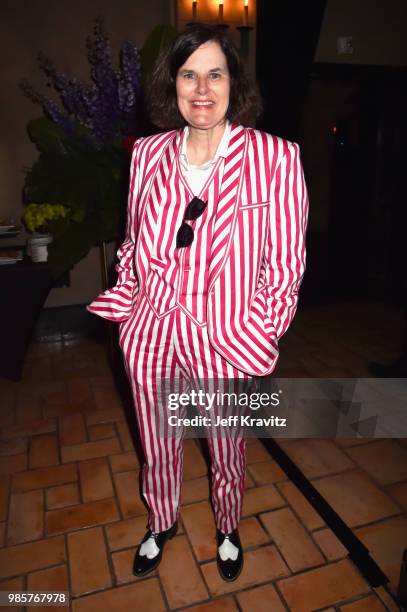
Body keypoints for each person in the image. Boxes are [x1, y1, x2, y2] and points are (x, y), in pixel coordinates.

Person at [87, 23, 309, 582]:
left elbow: (285, 266)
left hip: (226, 334)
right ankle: (161, 520)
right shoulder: (147, 154)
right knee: (156, 437)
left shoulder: (275, 159)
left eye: (215, 73)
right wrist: (133, 303)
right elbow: (135, 238)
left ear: (234, 83)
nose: (202, 88)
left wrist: (257, 331)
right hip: (151, 326)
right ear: (173, 84)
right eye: (189, 75)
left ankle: (228, 524)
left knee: (225, 441)